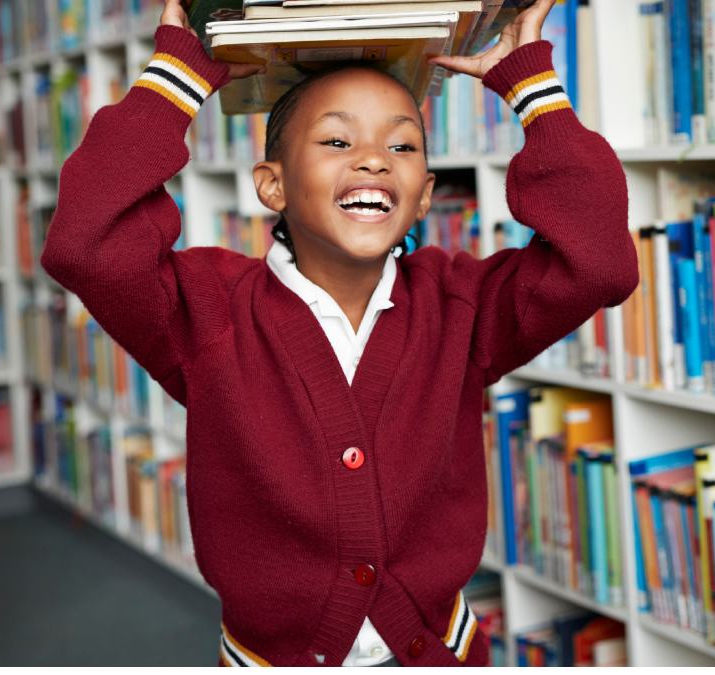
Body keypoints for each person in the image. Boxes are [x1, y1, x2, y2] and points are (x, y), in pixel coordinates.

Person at [41, 0, 637, 665]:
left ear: (423, 192)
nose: (375, 160)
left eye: (402, 144)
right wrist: (180, 73)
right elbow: (86, 242)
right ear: (272, 185)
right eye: (337, 140)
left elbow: (599, 261)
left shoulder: (463, 307)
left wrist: (529, 86)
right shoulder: (205, 312)